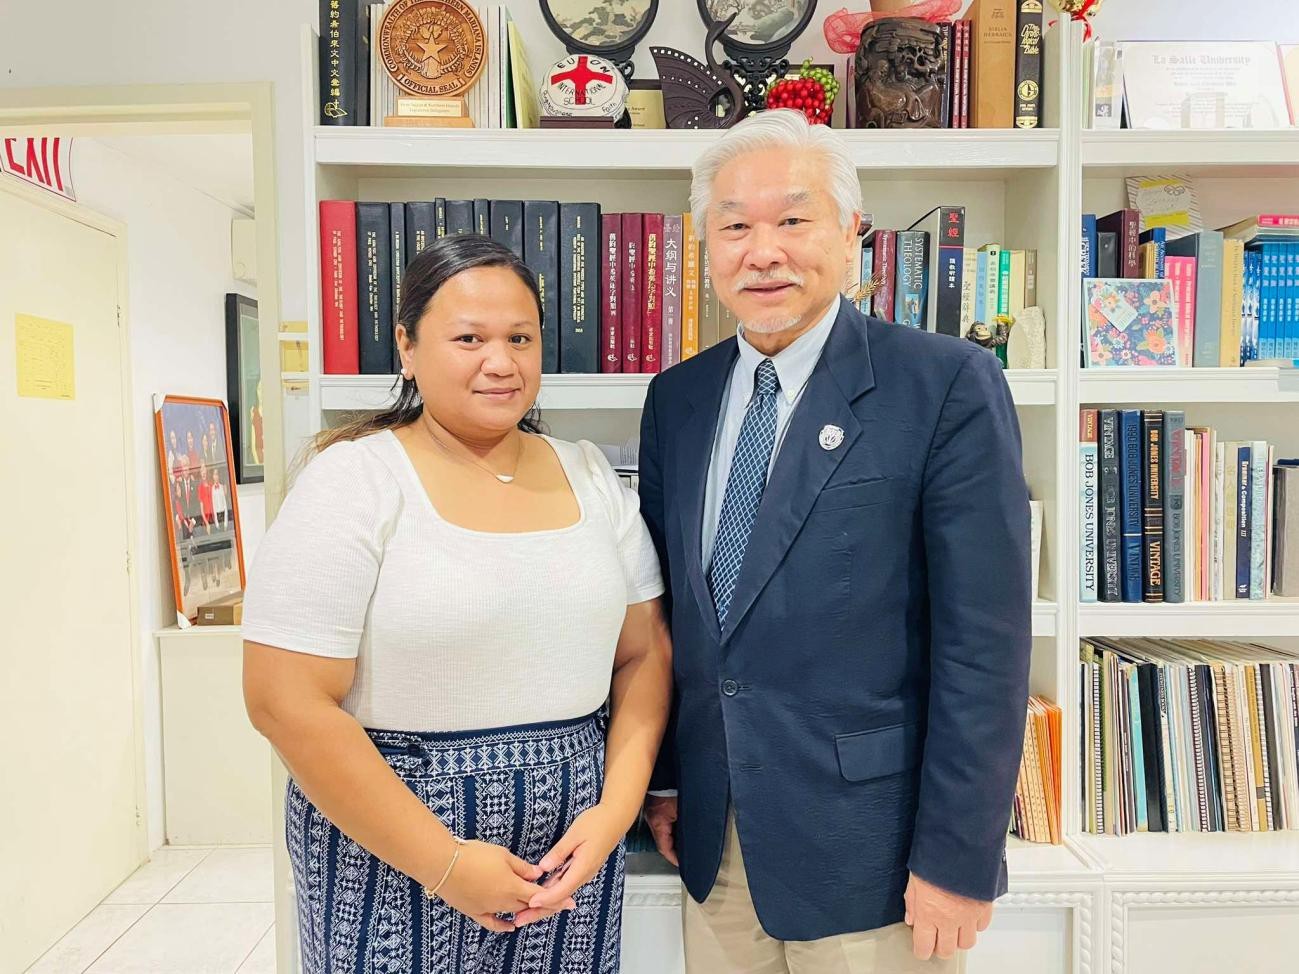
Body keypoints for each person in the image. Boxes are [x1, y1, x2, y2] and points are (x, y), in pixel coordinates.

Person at [638, 109, 1032, 972]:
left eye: (792, 219)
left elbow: (984, 647)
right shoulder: (677, 398)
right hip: (714, 839)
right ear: (706, 247)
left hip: (875, 853)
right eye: (733, 227)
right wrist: (666, 779)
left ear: (851, 233)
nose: (762, 252)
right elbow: (672, 616)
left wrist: (957, 860)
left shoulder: (944, 383)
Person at [241, 234, 672, 974]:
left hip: (567, 855)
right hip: (393, 849)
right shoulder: (354, 481)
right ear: (407, 347)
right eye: (469, 339)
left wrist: (612, 813)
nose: (500, 362)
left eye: (520, 338)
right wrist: (444, 864)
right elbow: (284, 701)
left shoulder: (589, 474)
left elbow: (646, 653)